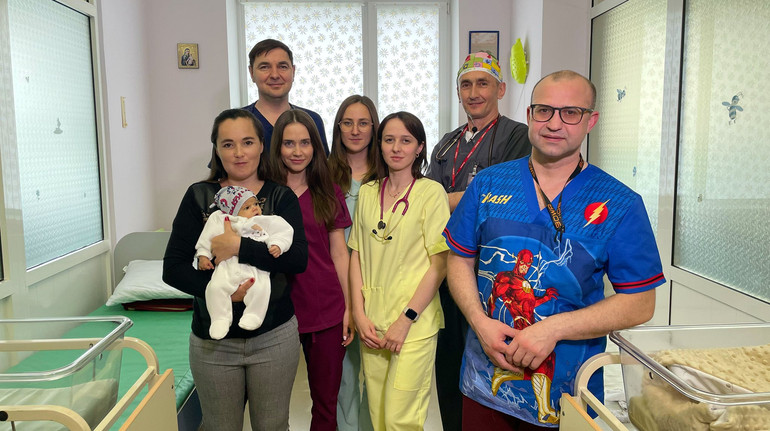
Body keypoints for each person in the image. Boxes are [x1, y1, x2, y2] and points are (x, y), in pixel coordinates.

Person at [443, 70, 665, 429]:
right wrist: (478, 321)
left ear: (591, 120)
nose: (554, 123)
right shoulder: (487, 184)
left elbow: (640, 302)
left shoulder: (619, 204)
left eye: (571, 112)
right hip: (484, 384)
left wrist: (553, 329)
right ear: (530, 115)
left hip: (569, 396)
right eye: (544, 110)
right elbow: (459, 259)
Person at [163, 108, 308, 431]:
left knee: (272, 426)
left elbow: (297, 259)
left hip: (273, 337)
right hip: (214, 342)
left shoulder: (280, 196)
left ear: (261, 146)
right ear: (216, 149)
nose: (239, 152)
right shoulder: (199, 197)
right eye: (228, 144)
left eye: (247, 142)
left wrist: (239, 246)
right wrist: (223, 293)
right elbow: (172, 268)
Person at [426, 51, 531, 431]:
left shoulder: (518, 136)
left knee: (492, 360)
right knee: (449, 360)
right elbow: (427, 197)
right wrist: (450, 199)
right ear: (458, 93)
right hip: (447, 263)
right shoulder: (446, 143)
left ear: (500, 89)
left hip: (493, 269)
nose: (474, 92)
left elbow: (501, 194)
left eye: (483, 83)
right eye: (466, 85)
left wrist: (441, 200)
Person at [348, 111, 450, 430]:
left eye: (406, 141)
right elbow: (356, 255)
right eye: (389, 140)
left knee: (400, 420)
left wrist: (406, 319)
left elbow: (440, 264)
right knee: (378, 416)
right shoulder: (367, 192)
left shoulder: (431, 193)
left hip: (413, 324)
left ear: (419, 148)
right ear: (379, 145)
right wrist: (359, 314)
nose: (396, 148)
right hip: (372, 321)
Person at [266, 109, 351, 431]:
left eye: (305, 143)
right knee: (271, 407)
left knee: (325, 405)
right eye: (289, 143)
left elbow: (339, 252)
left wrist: (349, 308)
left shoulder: (328, 191)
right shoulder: (265, 194)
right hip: (276, 311)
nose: (297, 151)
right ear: (277, 147)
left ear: (316, 146)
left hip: (325, 310)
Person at [327, 95, 382, 431]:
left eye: (363, 123)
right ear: (338, 128)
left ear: (374, 127)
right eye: (347, 122)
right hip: (338, 285)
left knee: (377, 376)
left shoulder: (389, 172)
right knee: (345, 375)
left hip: (379, 284)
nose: (355, 130)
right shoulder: (324, 174)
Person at [195, 185, 294, 339]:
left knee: (261, 288)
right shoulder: (221, 220)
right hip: (227, 266)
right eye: (247, 207)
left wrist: (278, 244)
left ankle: (254, 315)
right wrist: (203, 255)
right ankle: (220, 319)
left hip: (254, 268)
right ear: (232, 211)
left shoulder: (264, 220)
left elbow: (284, 231)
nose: (254, 208)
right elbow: (207, 237)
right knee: (214, 288)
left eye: (256, 204)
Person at [242, 38, 329, 154]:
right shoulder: (237, 122)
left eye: (282, 66)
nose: (274, 75)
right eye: (264, 67)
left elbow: (321, 164)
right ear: (252, 73)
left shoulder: (313, 120)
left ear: (293, 71)